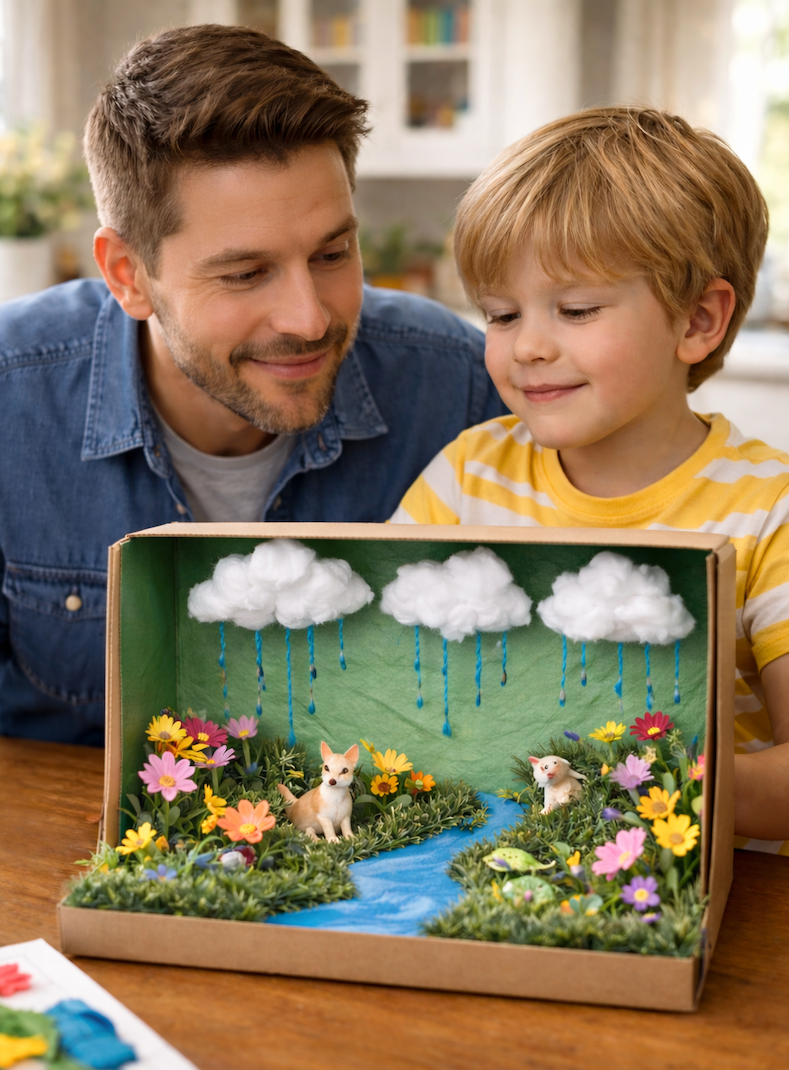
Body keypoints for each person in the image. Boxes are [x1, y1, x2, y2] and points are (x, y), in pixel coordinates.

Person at [0, 25, 504, 745]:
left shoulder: (460, 388)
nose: (308, 318)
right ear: (127, 275)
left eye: (332, 253)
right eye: (244, 274)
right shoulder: (11, 398)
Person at [392, 107, 789, 851]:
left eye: (575, 310)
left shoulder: (769, 512)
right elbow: (391, 676)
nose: (529, 347)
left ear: (698, 320)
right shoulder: (465, 474)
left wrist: (609, 785)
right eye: (501, 315)